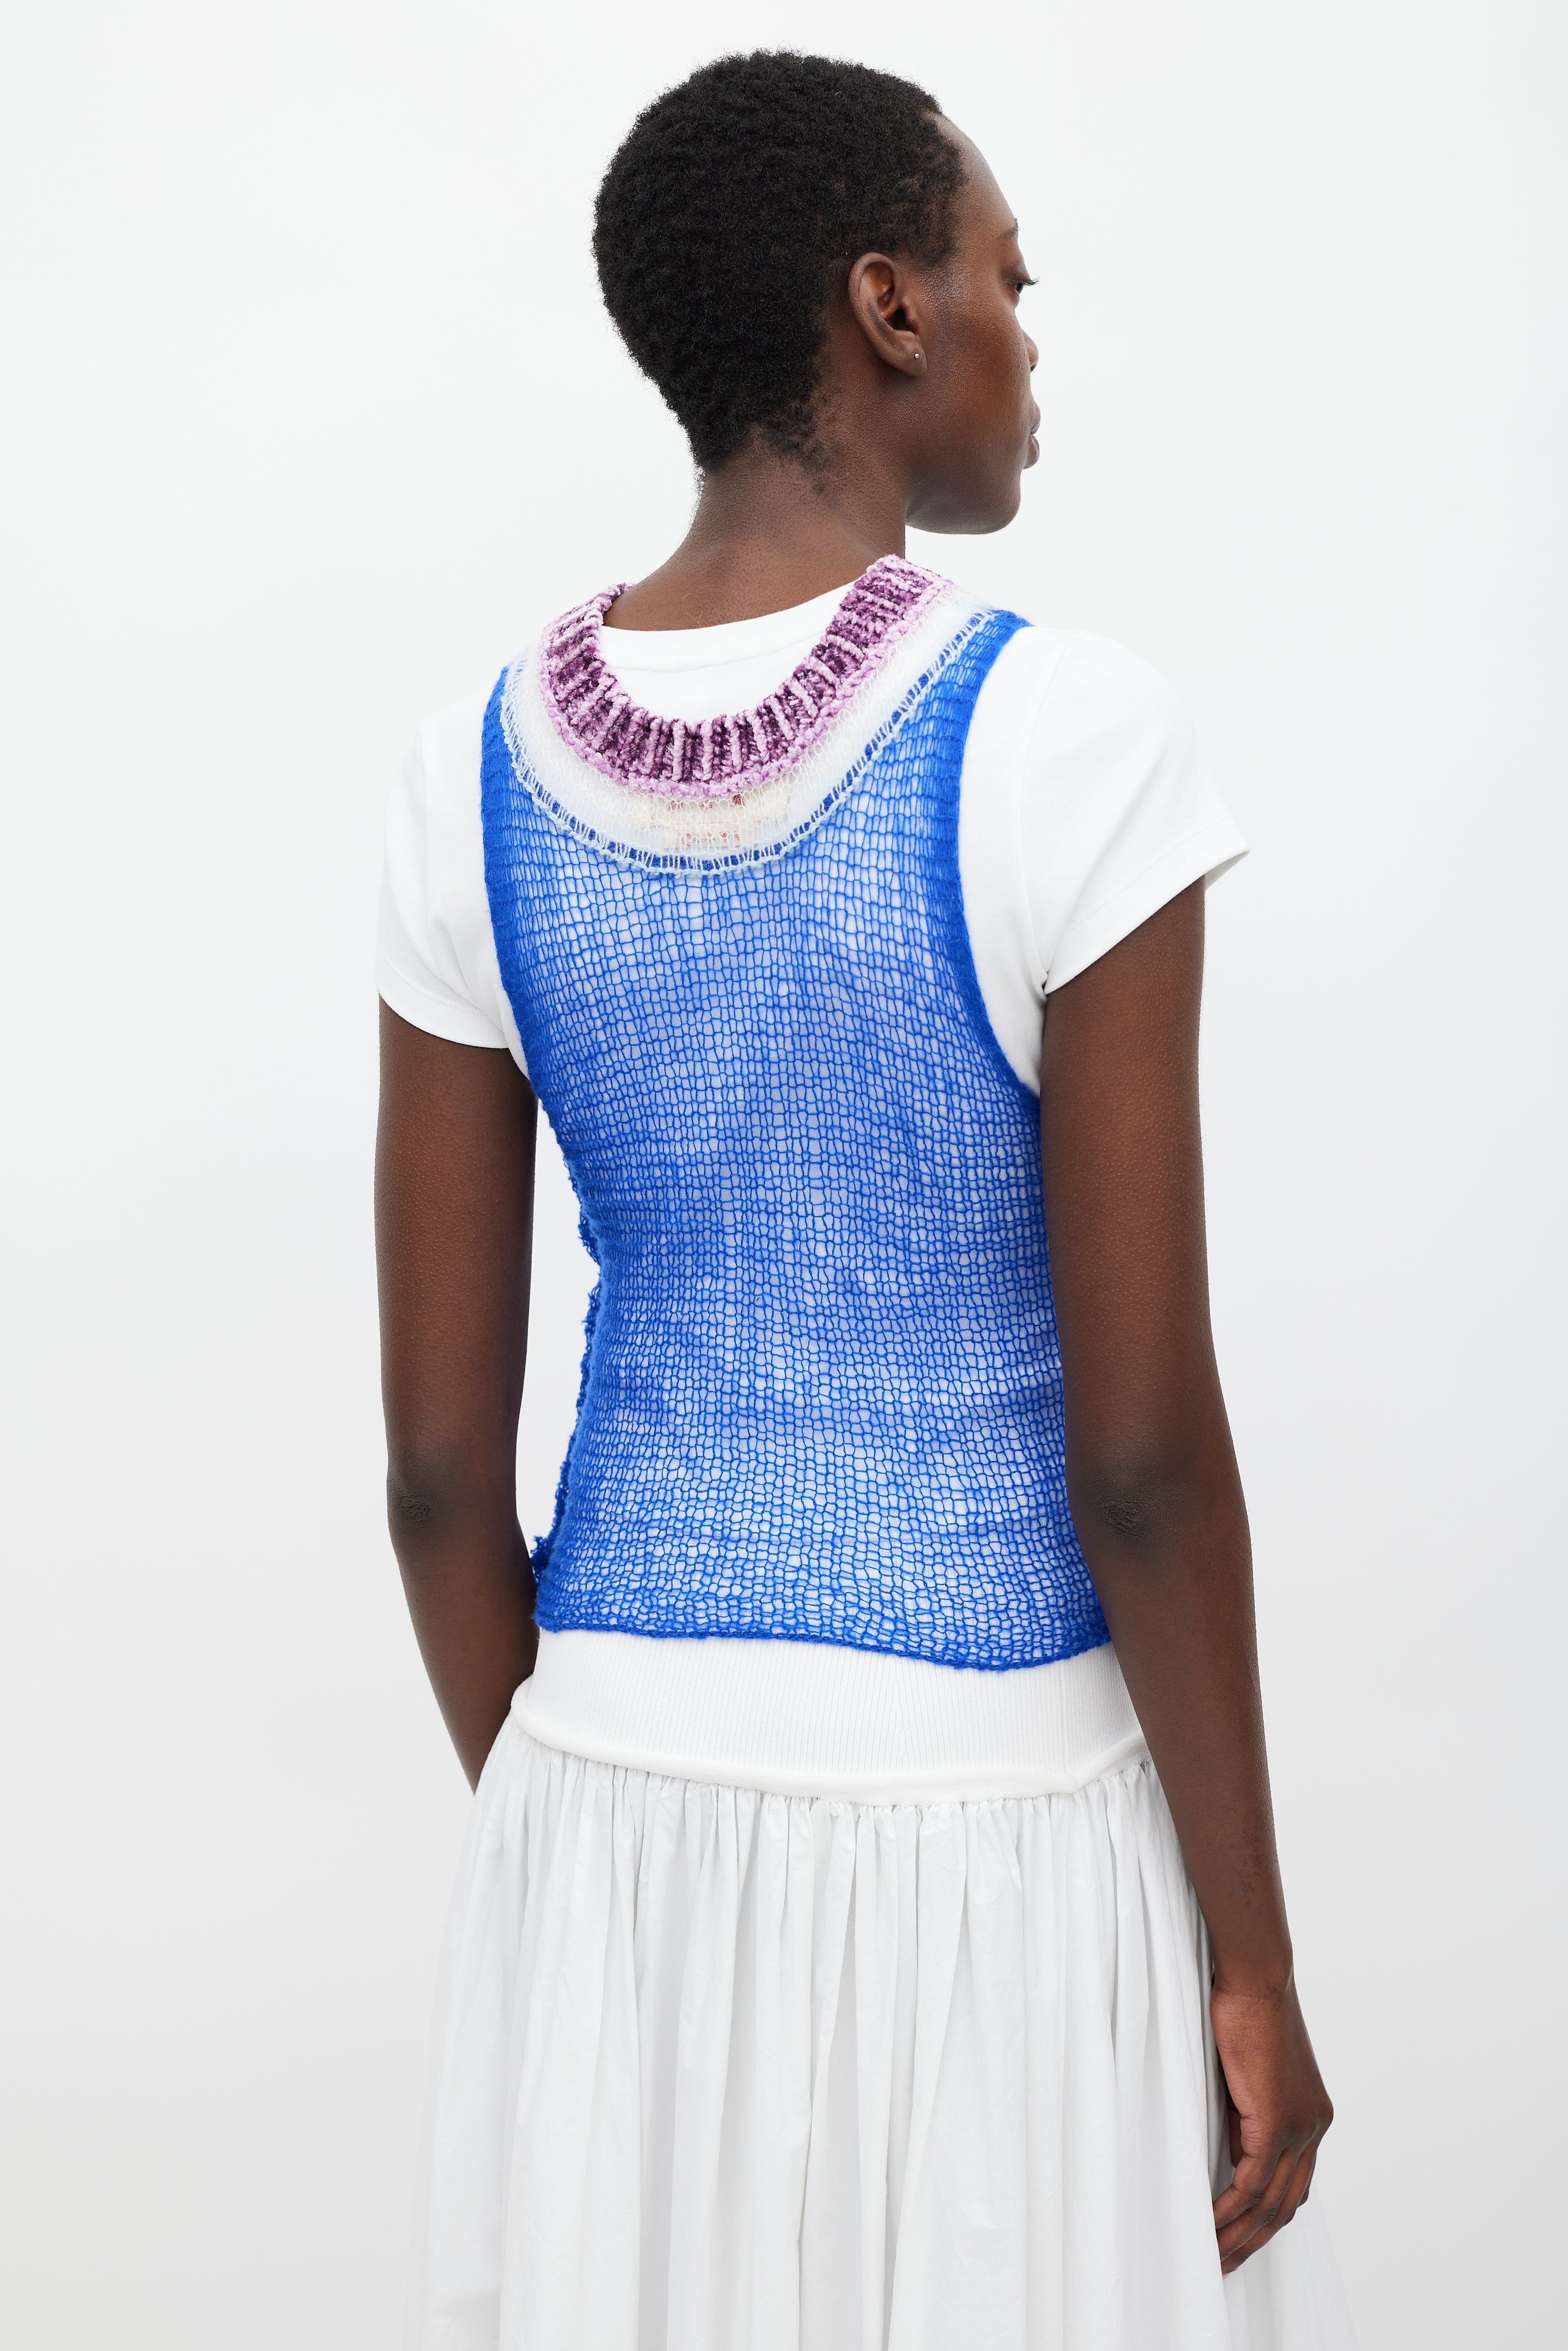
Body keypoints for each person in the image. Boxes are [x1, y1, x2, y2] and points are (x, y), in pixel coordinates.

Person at [375, 49, 1358, 2351]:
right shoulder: (1065, 734)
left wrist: (574, 1832)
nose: (1031, 338)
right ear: (887, 307)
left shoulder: (463, 776)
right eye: (1009, 276)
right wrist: (1252, 1953)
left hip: (601, 1779)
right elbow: (1138, 1453)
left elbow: (431, 1476)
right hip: (997, 1818)